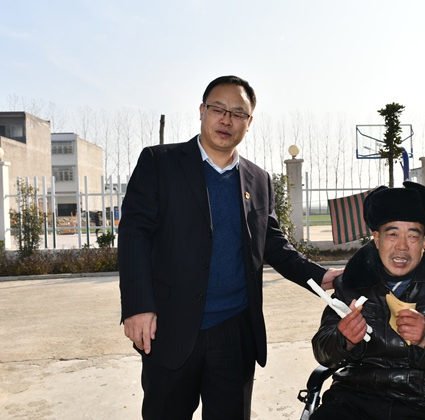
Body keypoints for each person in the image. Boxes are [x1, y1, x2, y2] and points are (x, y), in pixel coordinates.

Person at [118, 75, 342, 420]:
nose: (226, 120)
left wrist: (320, 275)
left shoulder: (259, 179)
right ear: (202, 111)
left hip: (235, 332)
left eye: (238, 113)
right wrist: (137, 307)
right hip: (170, 327)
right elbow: (134, 235)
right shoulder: (159, 163)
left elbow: (272, 243)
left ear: (249, 122)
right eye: (218, 109)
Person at [311, 181, 425, 420]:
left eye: (413, 236)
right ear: (376, 239)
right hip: (355, 398)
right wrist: (343, 340)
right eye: (392, 234)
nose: (402, 246)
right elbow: (322, 352)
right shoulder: (353, 282)